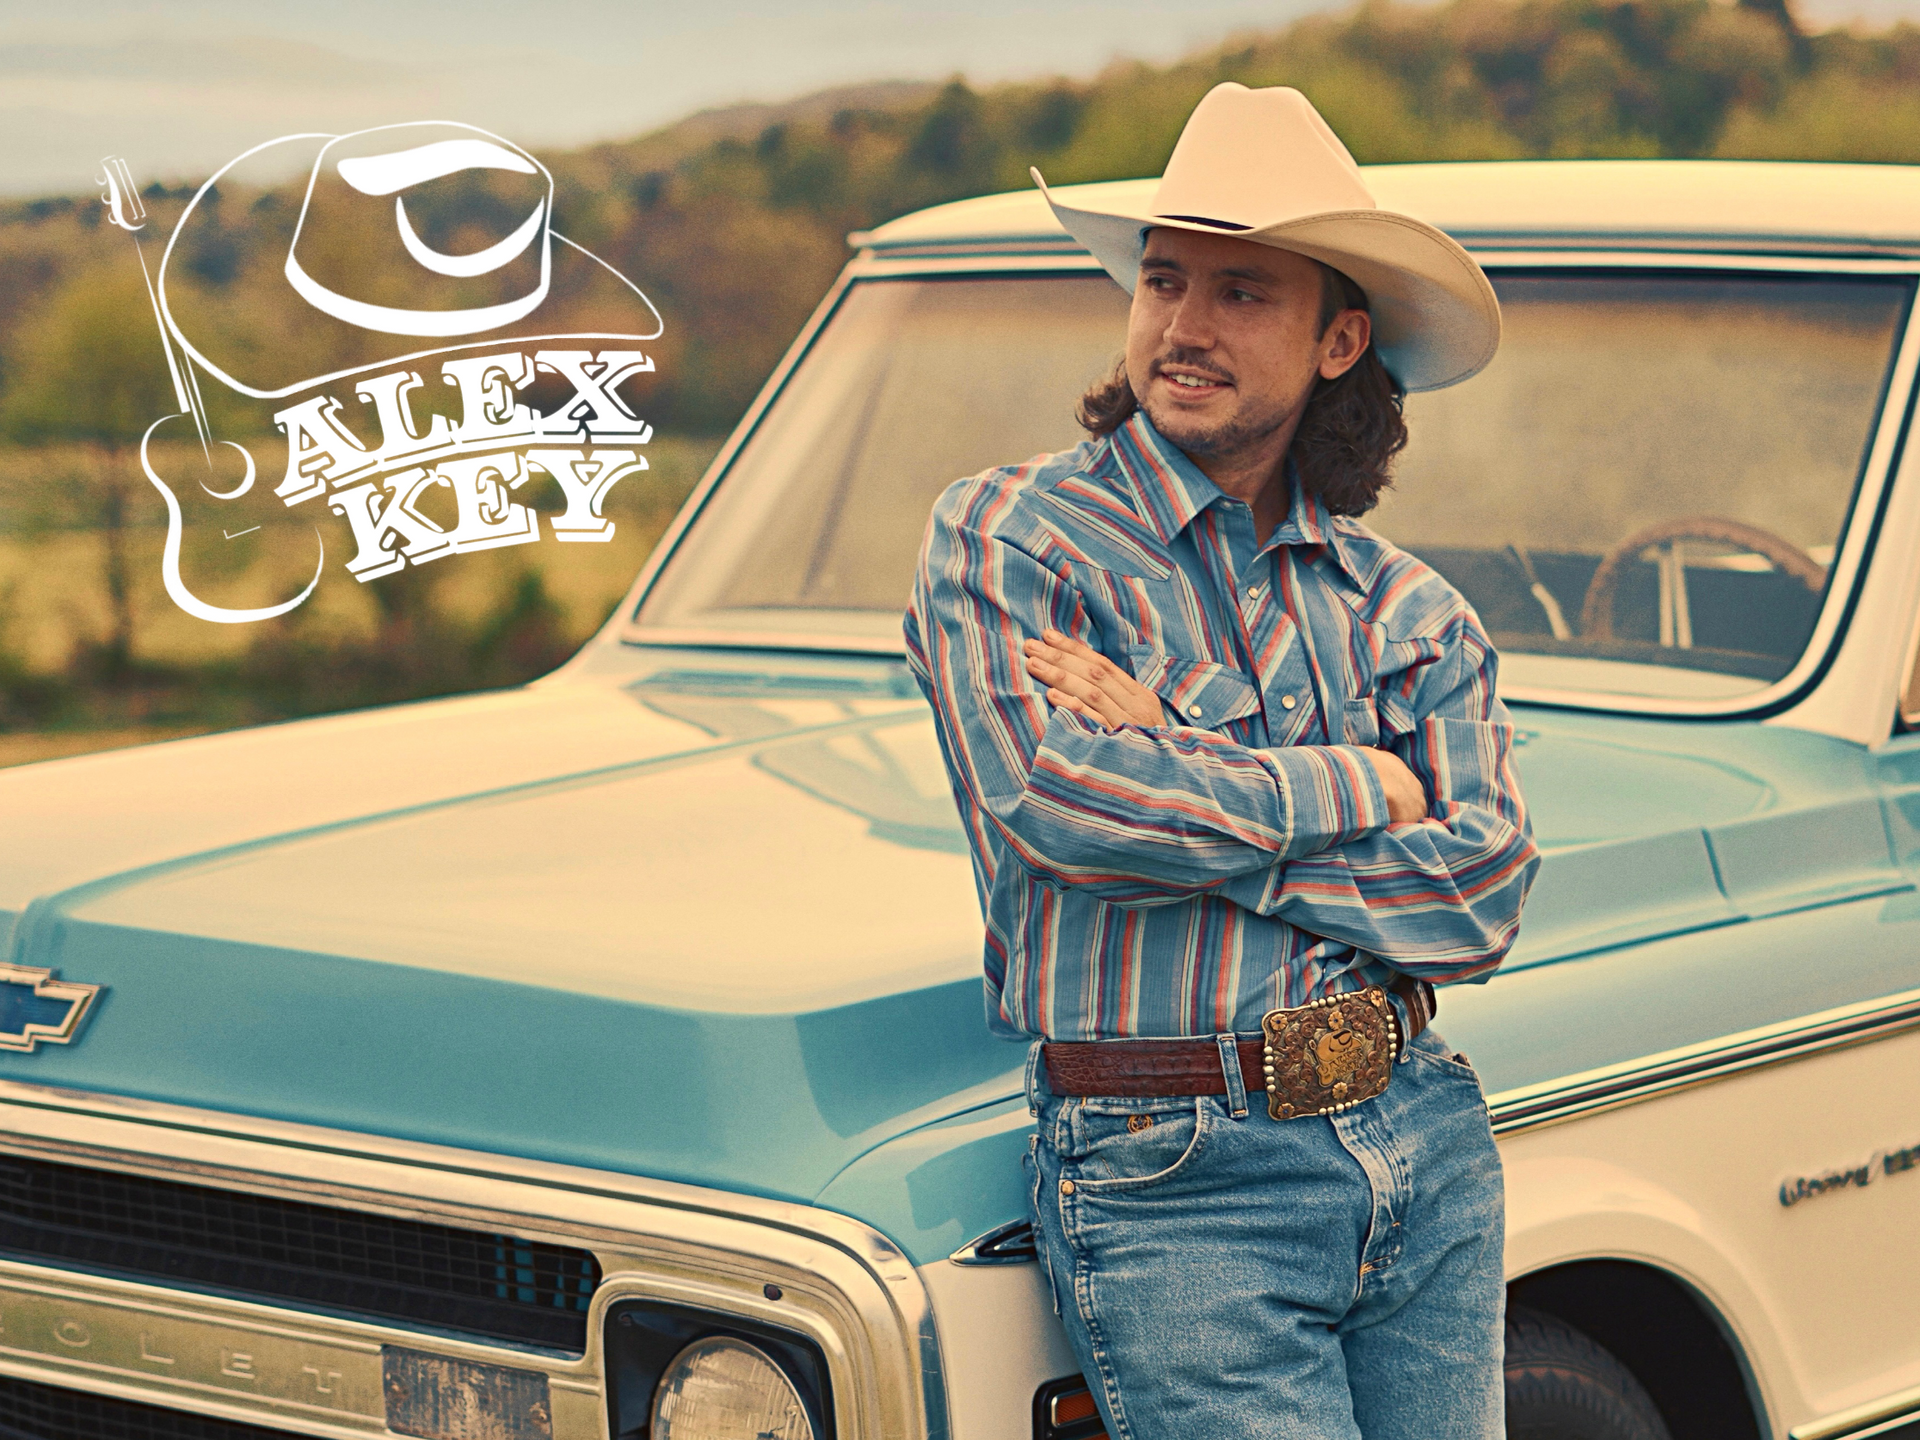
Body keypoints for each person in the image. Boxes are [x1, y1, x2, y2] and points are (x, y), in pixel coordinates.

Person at [904, 83, 1539, 1440]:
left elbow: (1480, 894)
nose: (1183, 326)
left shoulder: (1408, 609)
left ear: (1337, 340)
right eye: (1164, 281)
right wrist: (1359, 785)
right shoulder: (1014, 541)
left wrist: (1181, 764)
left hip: (1418, 1125)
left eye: (1242, 292)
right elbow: (1062, 806)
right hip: (1175, 1165)